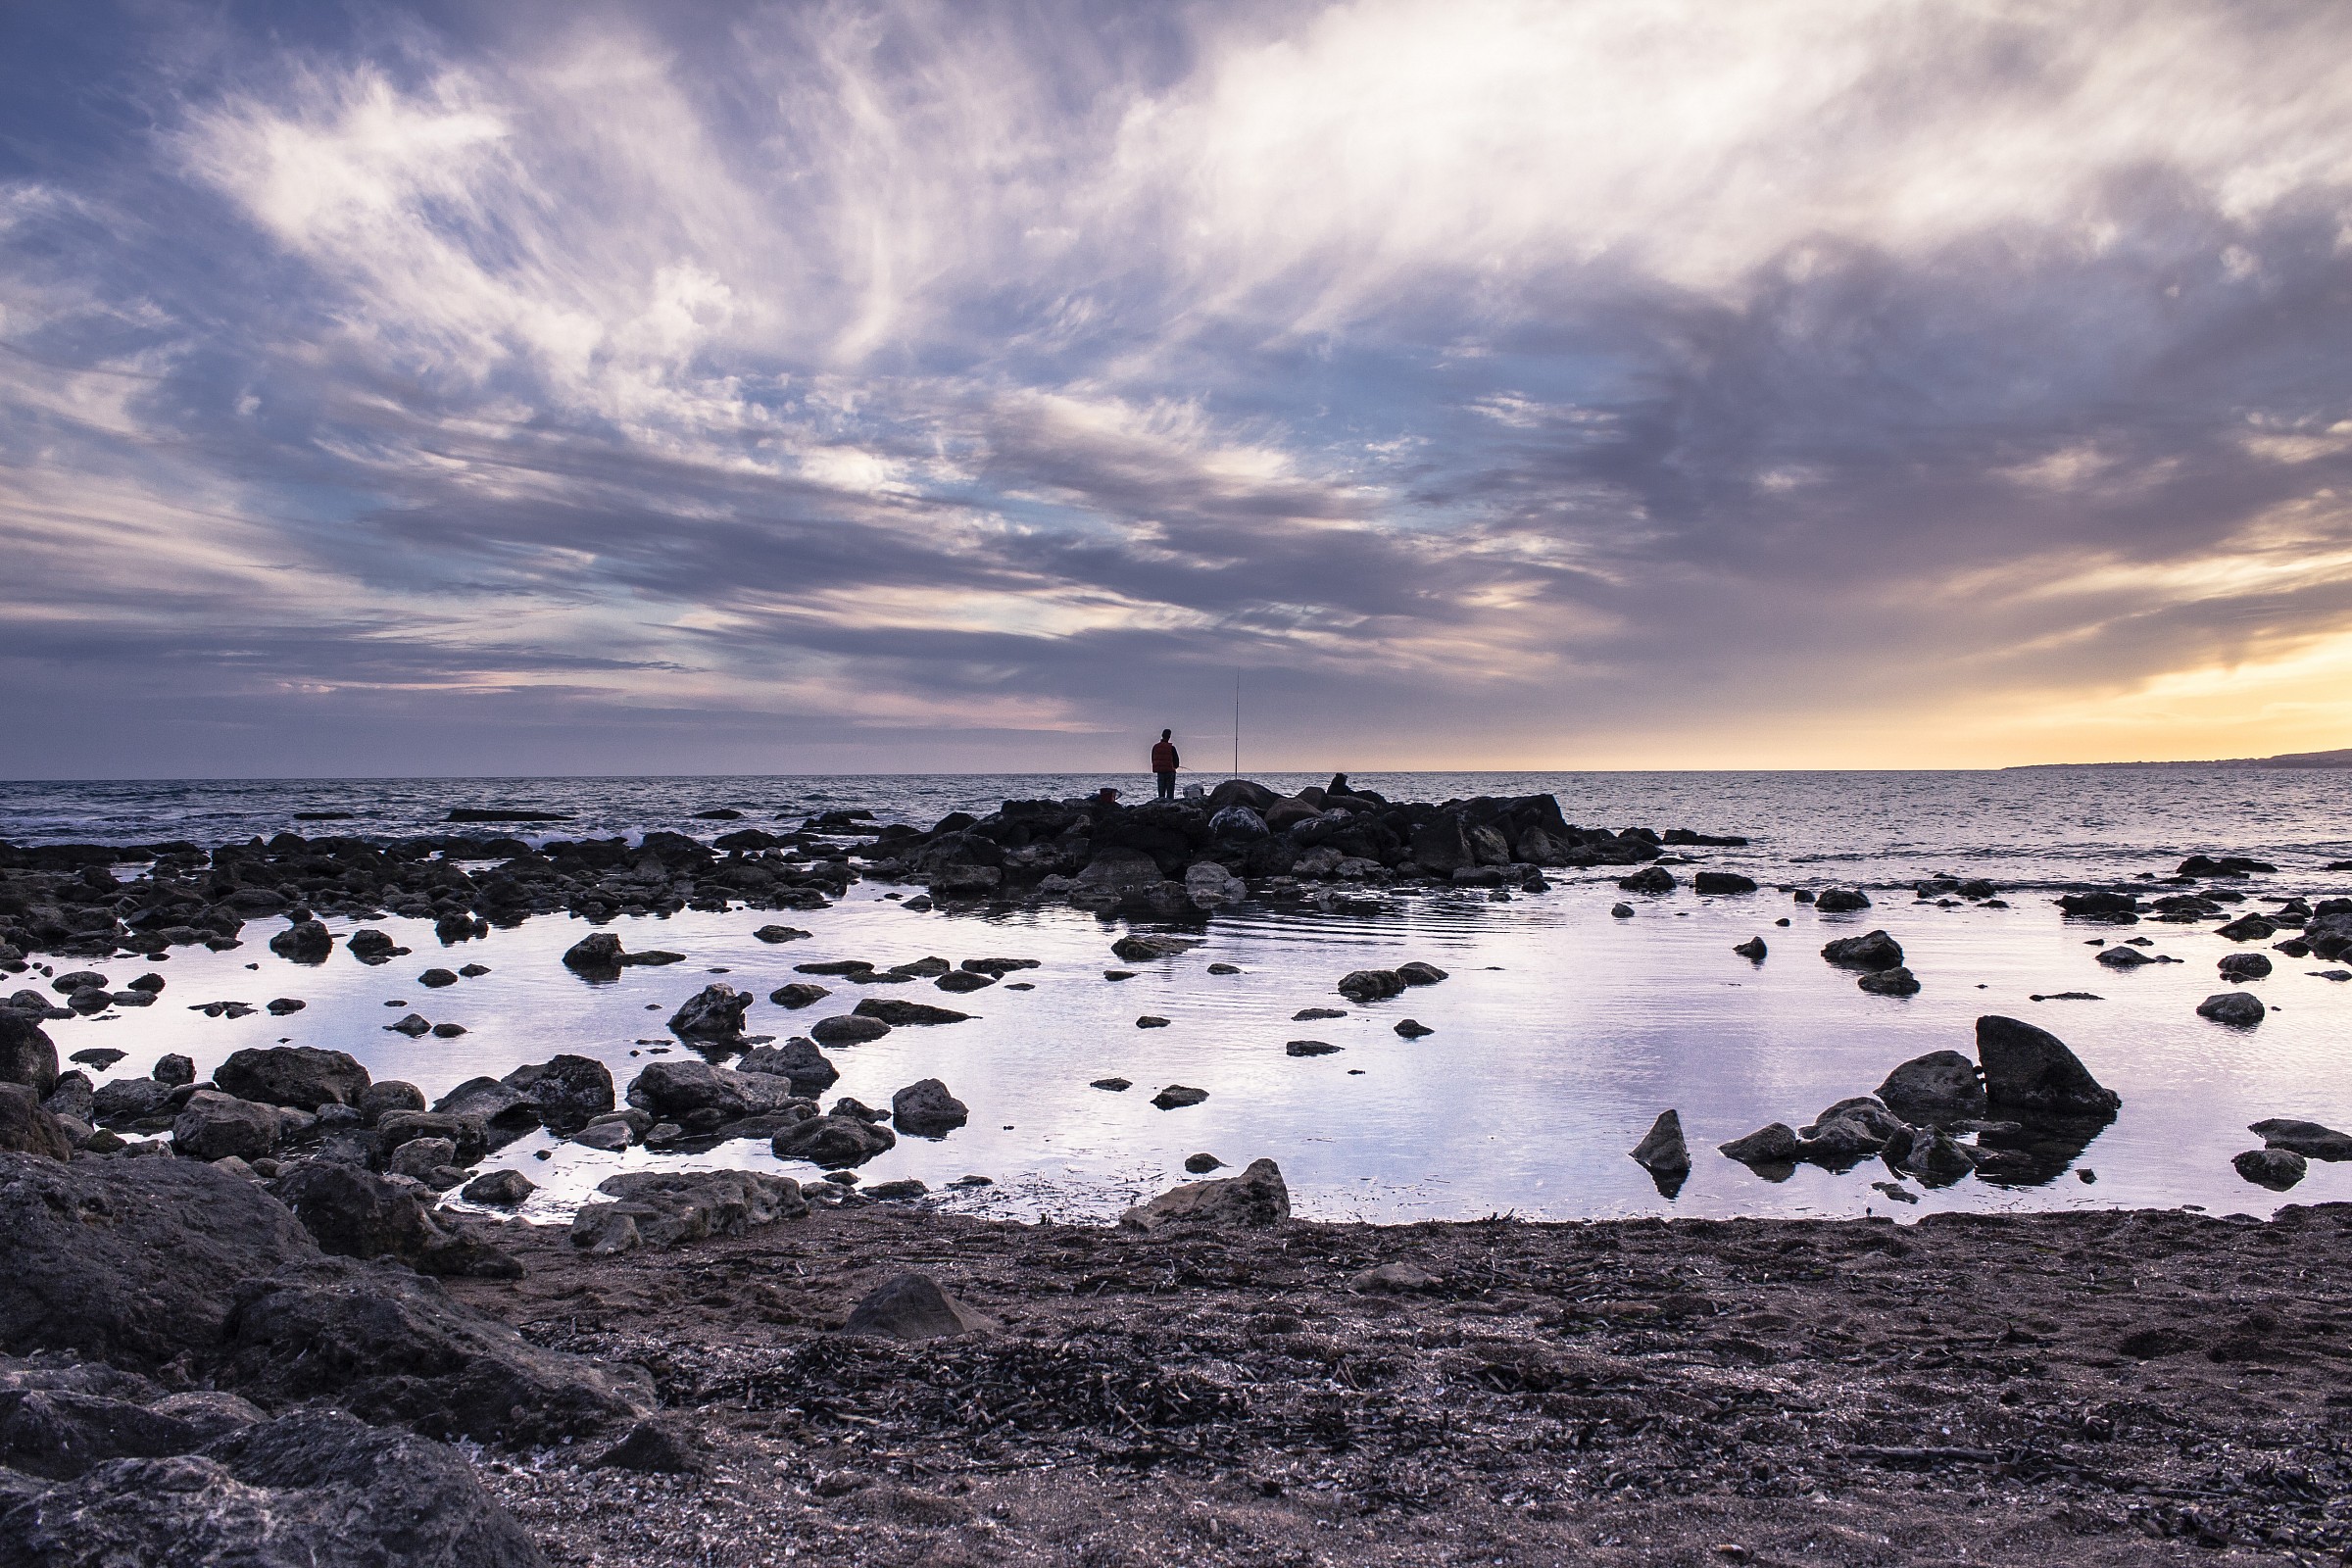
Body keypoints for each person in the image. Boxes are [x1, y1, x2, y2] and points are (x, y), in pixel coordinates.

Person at [1151, 729, 1179, 801]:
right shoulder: (1171, 747)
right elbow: (1176, 761)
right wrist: (1175, 767)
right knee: (1170, 794)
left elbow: (1153, 759)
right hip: (1170, 772)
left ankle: (1161, 806)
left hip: (1160, 772)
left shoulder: (1155, 747)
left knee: (1161, 794)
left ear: (1162, 735)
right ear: (1169, 737)